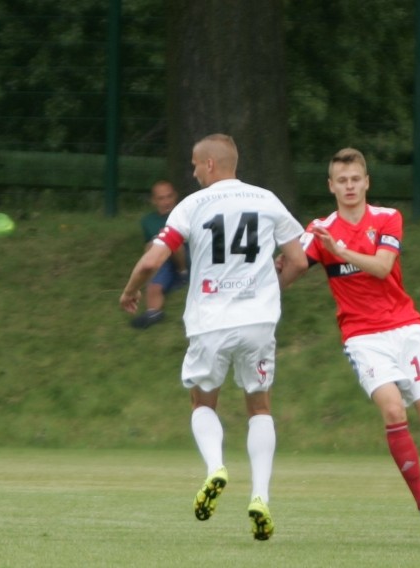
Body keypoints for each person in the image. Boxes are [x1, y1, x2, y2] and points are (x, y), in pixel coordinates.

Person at [276, 148, 420, 540]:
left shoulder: (388, 218)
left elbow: (383, 267)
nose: (350, 186)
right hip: (362, 337)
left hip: (406, 329)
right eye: (342, 180)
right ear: (331, 185)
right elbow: (293, 266)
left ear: (367, 182)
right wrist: (264, 279)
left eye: (356, 179)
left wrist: (340, 251)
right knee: (392, 410)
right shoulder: (320, 228)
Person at [119, 134, 309, 541]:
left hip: (210, 320)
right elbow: (298, 260)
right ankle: (260, 497)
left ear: (209, 164)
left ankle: (215, 469)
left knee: (202, 400)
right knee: (259, 406)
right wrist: (272, 288)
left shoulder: (192, 205)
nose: (191, 172)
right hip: (258, 320)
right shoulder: (267, 200)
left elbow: (155, 258)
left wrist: (132, 289)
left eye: (193, 164)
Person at [130, 180, 190, 329]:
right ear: (154, 201)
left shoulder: (186, 214)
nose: (166, 202)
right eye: (161, 198)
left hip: (188, 256)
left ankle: (183, 274)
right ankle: (153, 313)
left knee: (171, 240)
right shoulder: (148, 221)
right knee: (153, 286)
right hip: (164, 260)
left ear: (175, 196)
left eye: (169, 197)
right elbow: (147, 248)